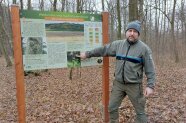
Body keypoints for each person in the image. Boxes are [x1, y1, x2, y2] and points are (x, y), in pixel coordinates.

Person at [79, 20, 156, 123]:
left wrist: (150, 86)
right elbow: (103, 50)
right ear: (126, 32)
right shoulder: (118, 45)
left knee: (140, 112)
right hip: (118, 84)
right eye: (130, 30)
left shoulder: (144, 49)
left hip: (134, 85)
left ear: (138, 34)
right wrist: (88, 54)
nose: (132, 33)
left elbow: (150, 69)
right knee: (112, 107)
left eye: (135, 31)